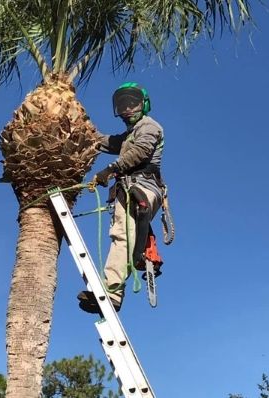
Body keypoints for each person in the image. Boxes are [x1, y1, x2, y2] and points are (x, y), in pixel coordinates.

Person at [78, 82, 165, 314]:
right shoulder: (129, 135)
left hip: (142, 186)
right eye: (123, 105)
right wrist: (82, 125)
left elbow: (140, 153)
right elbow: (104, 141)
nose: (127, 109)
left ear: (143, 104)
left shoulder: (150, 126)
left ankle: (112, 291)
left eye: (132, 103)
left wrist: (110, 170)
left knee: (122, 234)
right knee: (125, 234)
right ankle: (117, 286)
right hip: (133, 188)